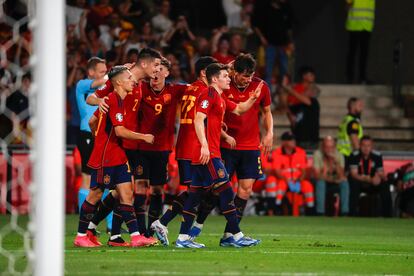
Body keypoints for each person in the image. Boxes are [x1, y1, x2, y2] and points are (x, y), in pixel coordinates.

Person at [175, 63, 261, 248]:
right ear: (215, 79)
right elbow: (198, 120)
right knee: (227, 190)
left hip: (207, 152)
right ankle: (235, 235)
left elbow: (238, 109)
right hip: (208, 153)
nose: (229, 78)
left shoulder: (220, 97)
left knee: (194, 196)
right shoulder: (208, 94)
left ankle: (183, 238)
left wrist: (253, 98)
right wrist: (205, 146)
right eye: (225, 76)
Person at [189, 53, 273, 239]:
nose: (247, 80)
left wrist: (269, 133)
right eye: (243, 75)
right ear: (234, 72)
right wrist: (224, 135)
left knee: (246, 189)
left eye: (250, 76)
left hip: (251, 146)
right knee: (217, 189)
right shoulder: (223, 85)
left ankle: (230, 233)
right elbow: (223, 109)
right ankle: (198, 223)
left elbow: (266, 111)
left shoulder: (260, 86)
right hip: (227, 146)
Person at [84, 48, 162, 246]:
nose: (157, 70)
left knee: (122, 192)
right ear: (144, 64)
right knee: (112, 191)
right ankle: (96, 232)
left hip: (130, 143)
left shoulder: (140, 85)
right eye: (155, 65)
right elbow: (90, 99)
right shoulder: (120, 79)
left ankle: (109, 234)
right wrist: (100, 101)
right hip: (118, 143)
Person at [150, 56, 218, 246]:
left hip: (184, 146)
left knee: (196, 191)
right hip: (194, 147)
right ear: (205, 72)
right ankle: (182, 235)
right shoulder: (205, 91)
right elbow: (202, 120)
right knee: (197, 191)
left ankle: (163, 223)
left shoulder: (190, 88)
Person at [134, 57, 187, 237]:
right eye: (153, 69)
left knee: (157, 189)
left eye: (160, 69)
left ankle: (152, 229)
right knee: (140, 187)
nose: (155, 73)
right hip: (141, 147)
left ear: (166, 73)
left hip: (162, 149)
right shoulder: (141, 88)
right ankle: (141, 233)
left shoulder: (175, 90)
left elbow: (197, 89)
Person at [75, 57, 107, 213]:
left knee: (107, 177)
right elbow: (97, 83)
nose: (104, 75)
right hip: (87, 134)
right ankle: (84, 221)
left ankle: (109, 224)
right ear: (91, 72)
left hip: (103, 135)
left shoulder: (105, 88)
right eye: (101, 72)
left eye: (106, 72)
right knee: (87, 177)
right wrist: (116, 73)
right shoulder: (82, 85)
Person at [348, 135, 391, 217]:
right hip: (359, 182)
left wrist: (380, 177)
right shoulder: (354, 155)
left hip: (372, 183)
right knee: (353, 183)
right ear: (360, 146)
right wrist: (369, 180)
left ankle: (387, 215)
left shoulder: (377, 156)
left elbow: (380, 172)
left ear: (372, 146)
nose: (366, 148)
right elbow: (354, 174)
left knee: (384, 185)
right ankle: (352, 214)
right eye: (363, 145)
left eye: (368, 146)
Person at [253, 0, 293, 85]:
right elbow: (256, 24)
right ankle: (268, 95)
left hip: (283, 45)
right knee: (268, 71)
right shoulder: (265, 9)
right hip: (269, 45)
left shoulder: (286, 8)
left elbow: (289, 27)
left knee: (284, 71)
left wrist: (290, 41)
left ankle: (283, 93)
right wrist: (262, 38)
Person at [273, 131, 314, 214]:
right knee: (280, 186)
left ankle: (310, 210)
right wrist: (287, 181)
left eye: (293, 139)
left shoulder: (301, 152)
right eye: (290, 140)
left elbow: (303, 171)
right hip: (283, 180)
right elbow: (277, 171)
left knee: (308, 186)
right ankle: (276, 209)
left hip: (298, 180)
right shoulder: (277, 153)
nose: (293, 141)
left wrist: (299, 180)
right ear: (284, 142)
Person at [284, 66, 320, 149]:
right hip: (298, 135)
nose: (313, 77)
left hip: (310, 138)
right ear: (304, 76)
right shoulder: (297, 91)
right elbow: (289, 107)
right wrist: (291, 117)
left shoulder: (313, 98)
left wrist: (289, 89)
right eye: (310, 75)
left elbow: (308, 98)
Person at [313, 136, 349, 216]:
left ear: (335, 147)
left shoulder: (339, 155)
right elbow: (317, 175)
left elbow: (341, 175)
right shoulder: (317, 154)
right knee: (320, 183)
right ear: (323, 147)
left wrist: (335, 163)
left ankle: (344, 212)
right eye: (327, 147)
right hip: (323, 181)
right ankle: (320, 212)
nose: (329, 150)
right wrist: (326, 166)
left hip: (335, 181)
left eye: (331, 147)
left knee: (344, 183)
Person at [345, 0, 375, 84]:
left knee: (364, 53)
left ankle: (362, 78)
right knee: (352, 52)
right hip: (355, 25)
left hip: (366, 26)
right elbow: (347, 6)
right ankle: (350, 77)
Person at [337, 97, 364, 165]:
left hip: (341, 154)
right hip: (349, 155)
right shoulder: (353, 123)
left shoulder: (345, 120)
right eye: (359, 105)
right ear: (353, 106)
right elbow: (355, 142)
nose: (362, 108)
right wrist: (360, 156)